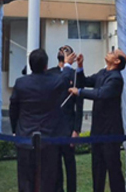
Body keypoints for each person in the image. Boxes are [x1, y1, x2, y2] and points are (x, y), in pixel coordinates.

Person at [10, 47, 77, 192]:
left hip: (25, 138)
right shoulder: (53, 82)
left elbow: (13, 108)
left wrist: (15, 130)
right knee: (48, 181)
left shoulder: (21, 83)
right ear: (46, 66)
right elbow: (66, 78)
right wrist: (67, 64)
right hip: (49, 139)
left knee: (26, 180)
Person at [68, 49, 126, 192]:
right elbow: (85, 81)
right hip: (98, 130)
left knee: (114, 170)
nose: (109, 52)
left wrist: (80, 92)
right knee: (97, 170)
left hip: (111, 132)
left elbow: (101, 94)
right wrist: (80, 66)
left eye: (113, 52)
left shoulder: (116, 78)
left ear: (117, 61)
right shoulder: (103, 72)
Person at [48, 46, 83, 192]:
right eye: (61, 50)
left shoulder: (75, 76)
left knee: (70, 164)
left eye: (67, 50)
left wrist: (76, 129)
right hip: (53, 127)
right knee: (54, 165)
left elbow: (79, 105)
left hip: (68, 126)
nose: (63, 52)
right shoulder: (50, 73)